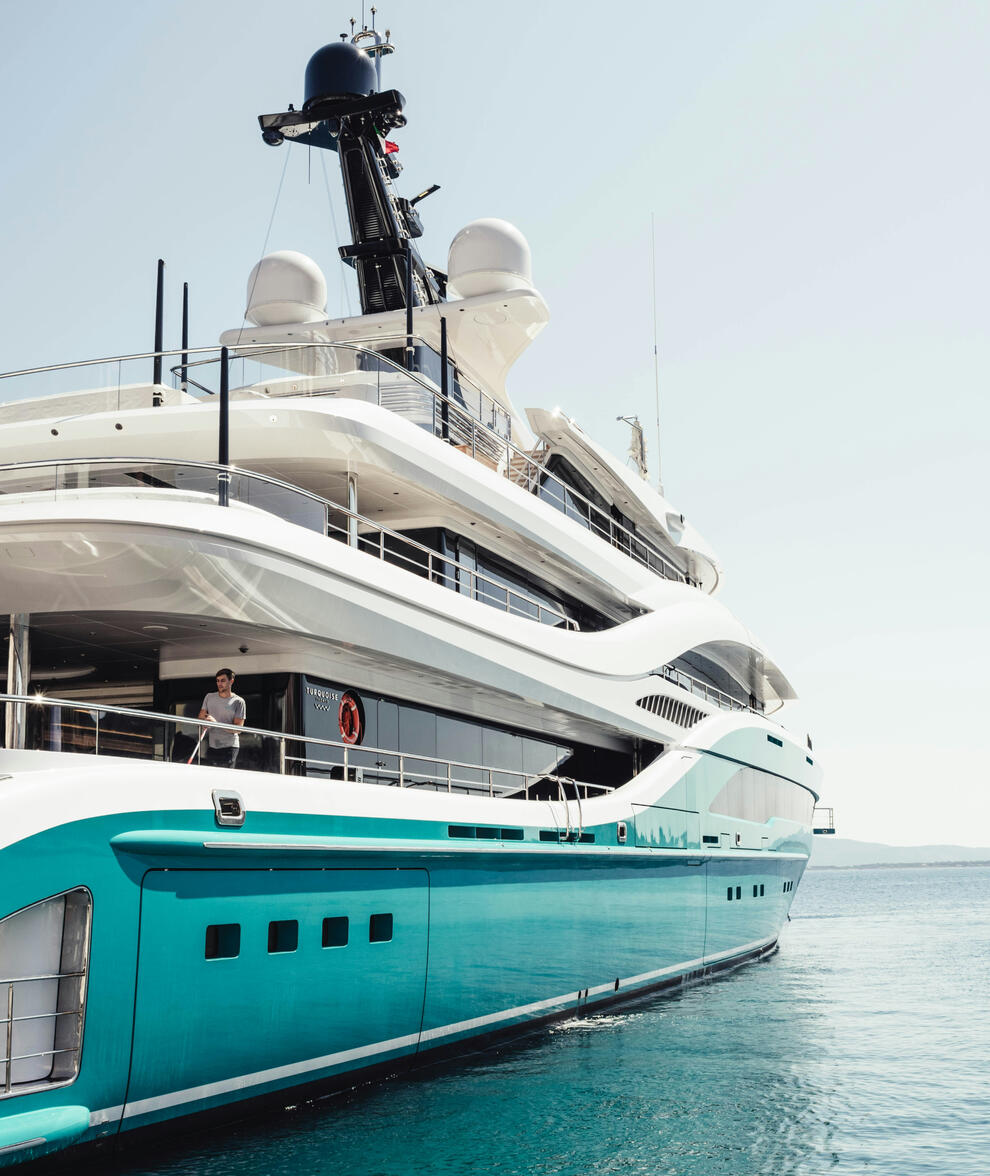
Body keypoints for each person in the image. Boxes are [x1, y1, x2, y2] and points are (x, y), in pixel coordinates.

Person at [198, 668, 246, 768]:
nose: (219, 683)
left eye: (223, 680)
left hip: (230, 747)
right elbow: (200, 718)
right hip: (212, 745)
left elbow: (238, 729)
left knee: (225, 775)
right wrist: (204, 723)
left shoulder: (238, 701)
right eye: (218, 681)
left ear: (231, 681)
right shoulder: (209, 697)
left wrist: (216, 724)